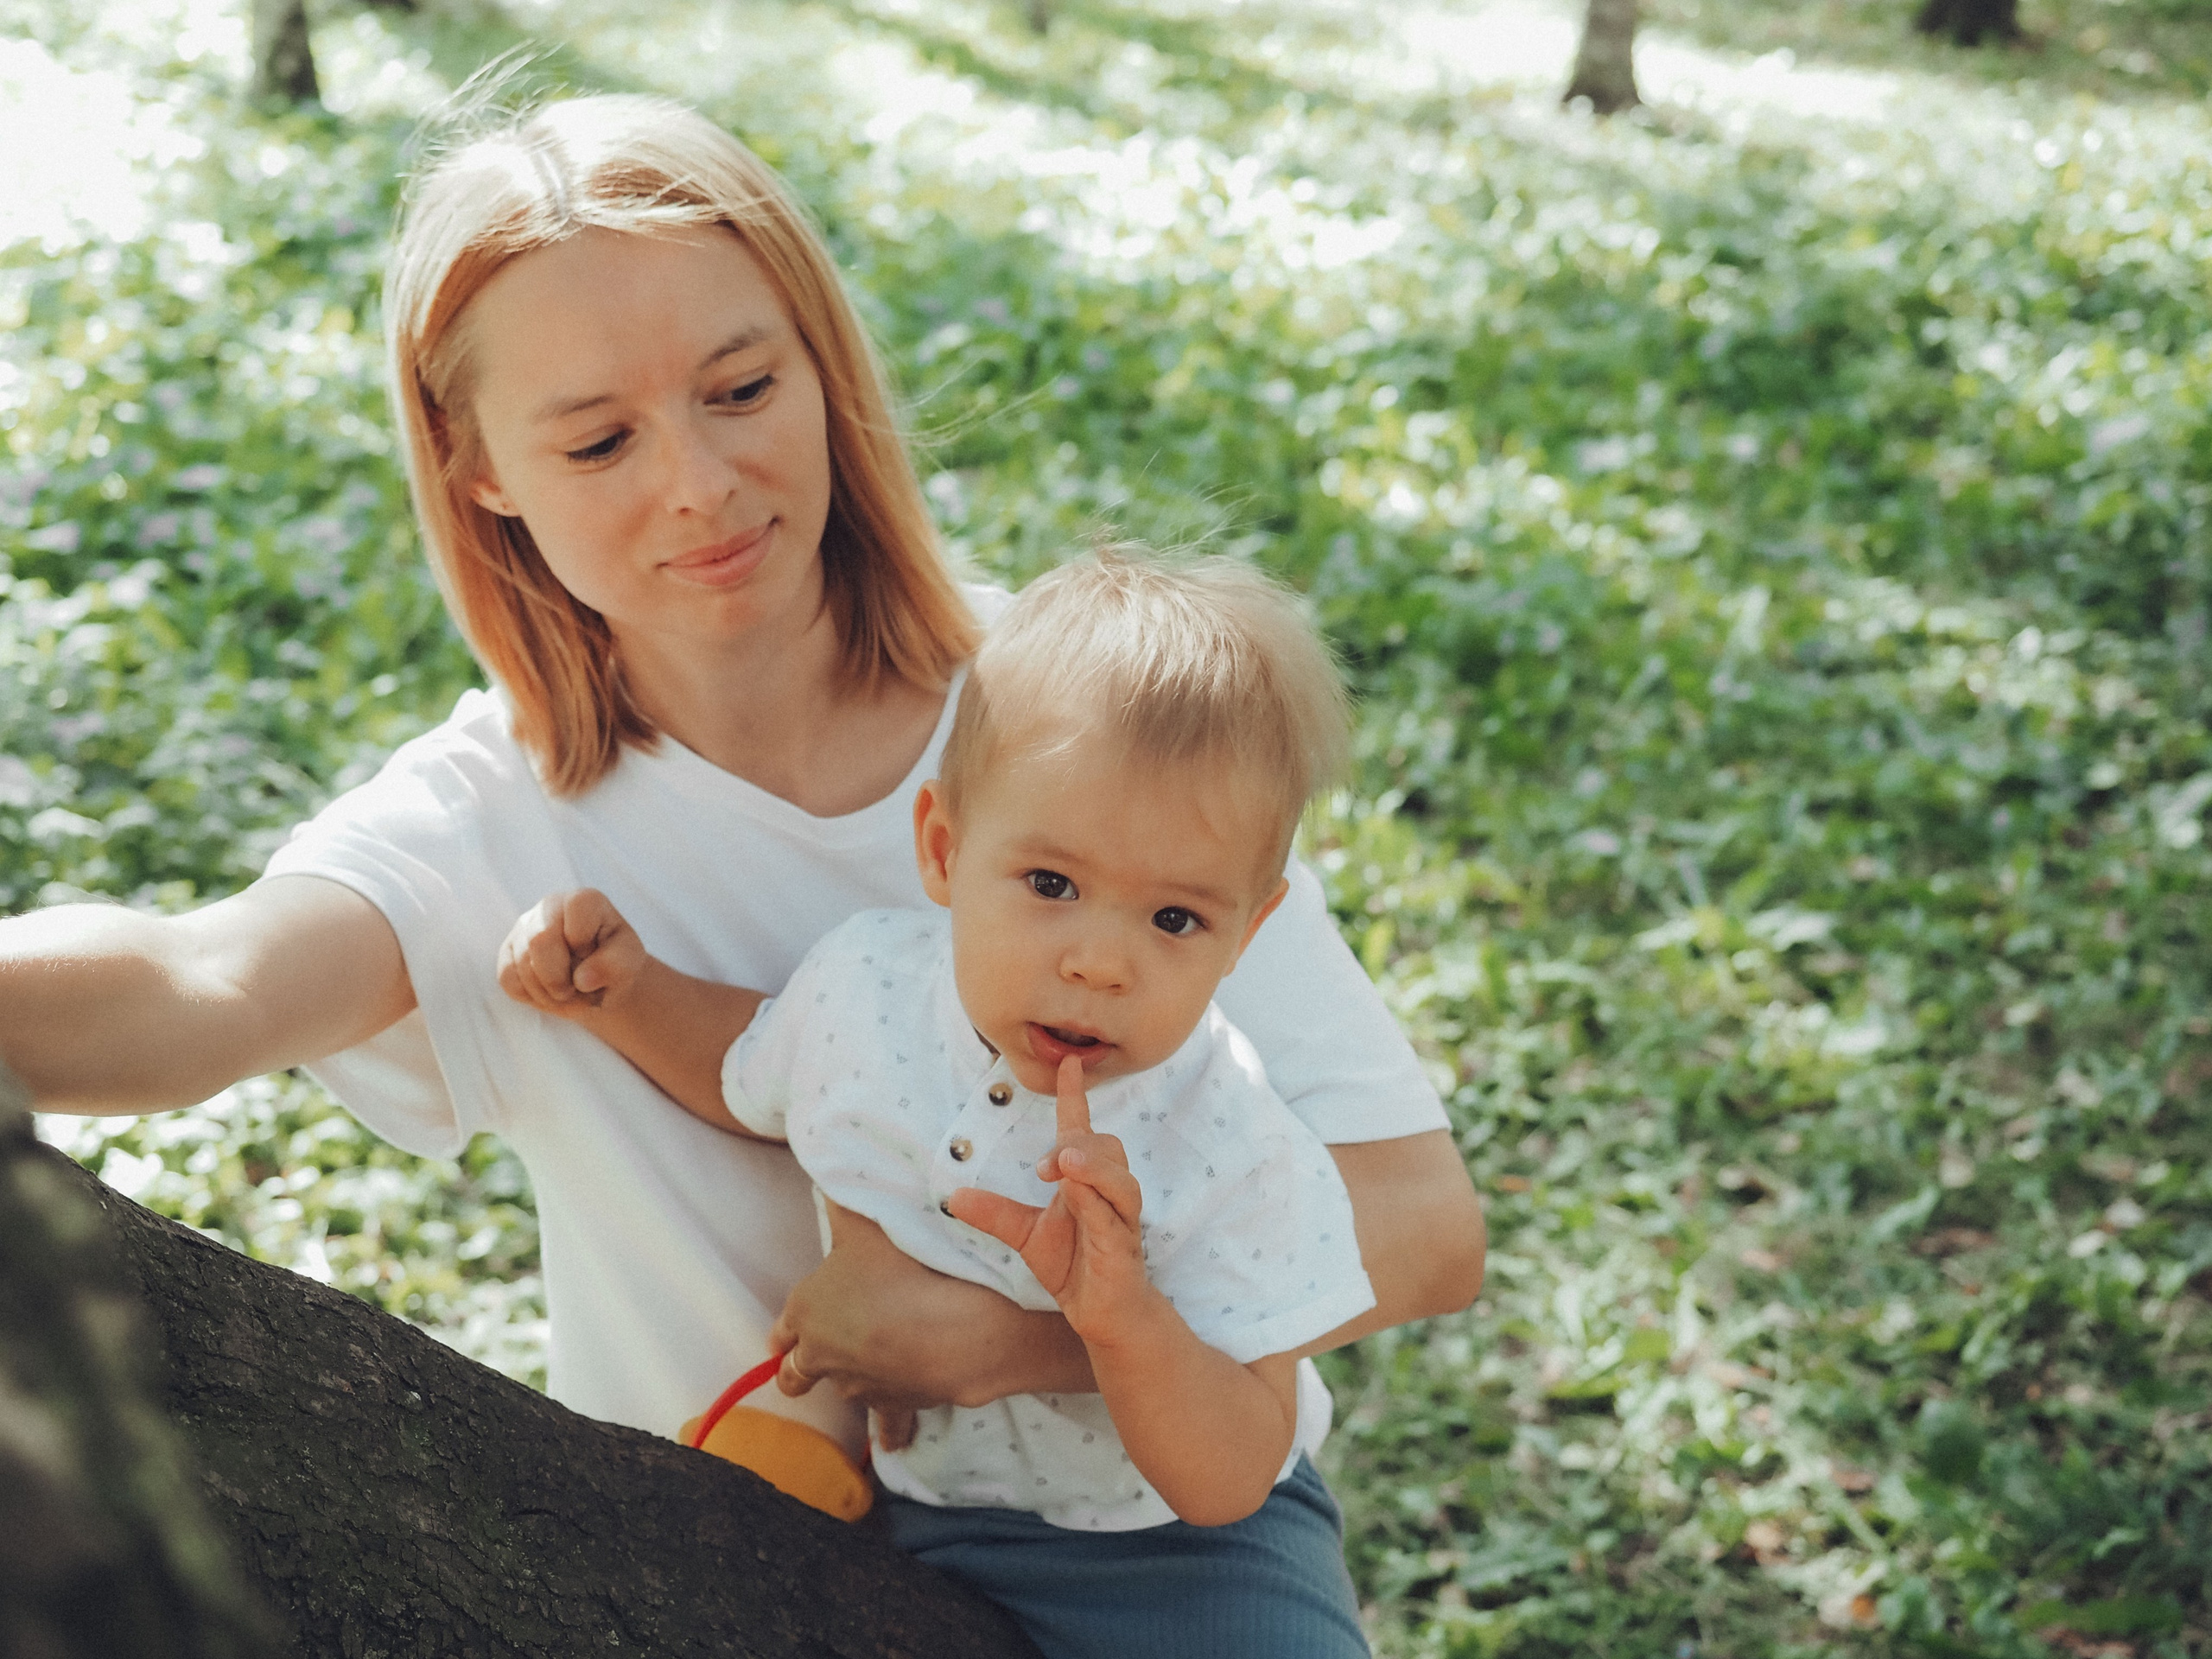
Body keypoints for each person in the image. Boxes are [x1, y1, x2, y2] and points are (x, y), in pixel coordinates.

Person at [0, 93, 1482, 1515]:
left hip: (1149, 1559)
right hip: (724, 1582)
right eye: (599, 441)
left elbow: (1419, 1223)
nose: (701, 484)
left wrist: (1024, 1341)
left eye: (742, 389)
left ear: (822, 362)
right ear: (478, 470)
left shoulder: (1084, 720)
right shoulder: (485, 830)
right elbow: (192, 987)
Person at [499, 552, 1379, 1656]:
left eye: (1173, 920)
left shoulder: (1233, 1146)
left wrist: (1122, 1318)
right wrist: (628, 994)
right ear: (943, 850)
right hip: (932, 1522)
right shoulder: (866, 995)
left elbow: (1233, 1474)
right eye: (1051, 886)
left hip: (1188, 1558)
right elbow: (749, 1061)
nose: (1099, 963)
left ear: (1246, 933)